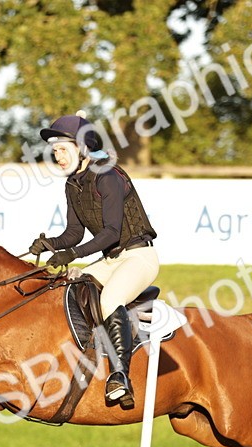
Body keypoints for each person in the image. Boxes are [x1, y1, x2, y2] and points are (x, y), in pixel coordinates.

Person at [28, 113, 159, 408]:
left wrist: (72, 254)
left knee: (111, 299)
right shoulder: (72, 184)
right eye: (55, 151)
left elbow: (112, 233)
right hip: (111, 260)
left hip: (138, 256)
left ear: (83, 149)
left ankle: (120, 376)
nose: (57, 156)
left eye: (63, 149)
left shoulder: (108, 177)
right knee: (70, 287)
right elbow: (74, 233)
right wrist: (49, 244)